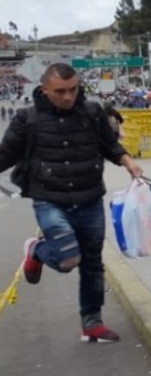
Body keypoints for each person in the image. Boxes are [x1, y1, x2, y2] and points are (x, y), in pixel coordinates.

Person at [0, 63, 143, 343]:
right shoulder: (27, 119)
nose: (68, 97)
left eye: (73, 89)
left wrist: (127, 161)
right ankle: (37, 250)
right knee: (67, 259)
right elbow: (5, 154)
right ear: (44, 90)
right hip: (49, 200)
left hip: (89, 197)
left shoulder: (92, 112)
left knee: (92, 263)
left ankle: (92, 323)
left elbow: (108, 145)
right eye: (60, 91)